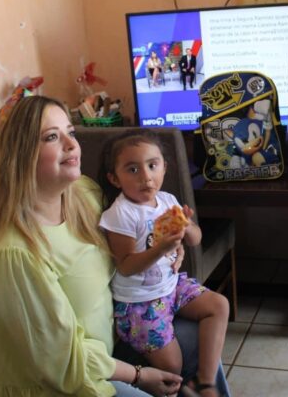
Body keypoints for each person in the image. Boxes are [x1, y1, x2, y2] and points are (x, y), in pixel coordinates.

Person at [0, 95, 231, 397]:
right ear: (18, 157)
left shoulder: (83, 194)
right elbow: (63, 360)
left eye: (70, 132)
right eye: (52, 137)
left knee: (201, 340)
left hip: (107, 348)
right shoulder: (12, 253)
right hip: (58, 381)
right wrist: (139, 375)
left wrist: (170, 245)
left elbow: (130, 242)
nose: (71, 144)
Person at [99, 130, 229, 397]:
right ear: (115, 178)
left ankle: (205, 382)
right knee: (173, 365)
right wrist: (161, 249)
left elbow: (196, 239)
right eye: (132, 169)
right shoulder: (120, 214)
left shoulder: (167, 200)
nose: (146, 176)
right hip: (139, 302)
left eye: (152, 165)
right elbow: (125, 265)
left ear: (164, 167)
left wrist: (186, 227)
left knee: (219, 305)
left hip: (171, 286)